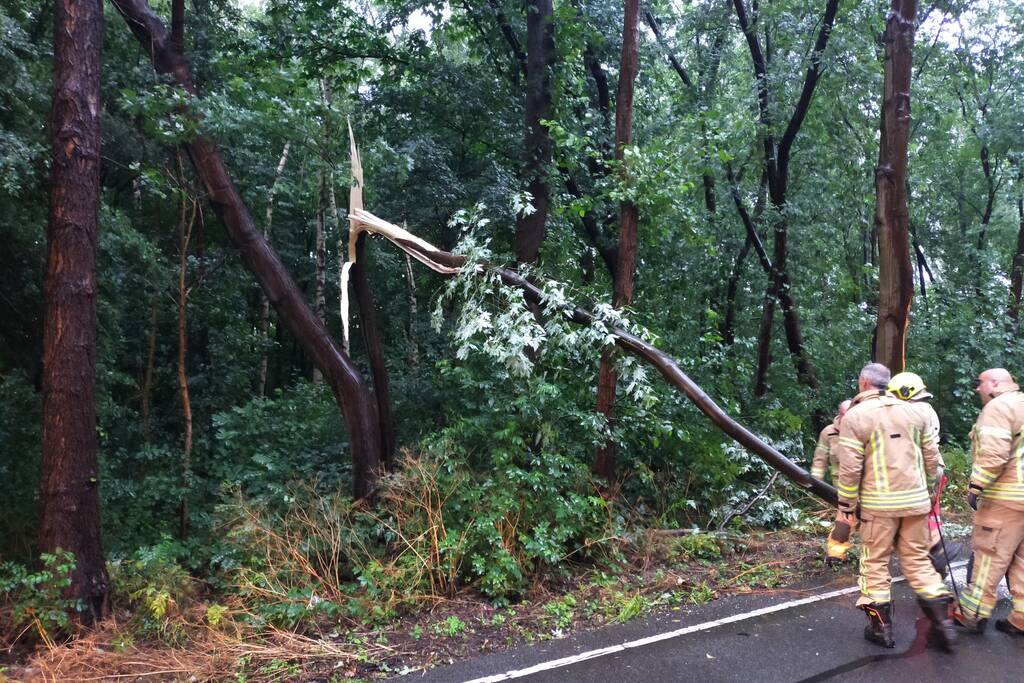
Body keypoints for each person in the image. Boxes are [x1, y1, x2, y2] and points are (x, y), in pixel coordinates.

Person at [834, 363, 955, 650]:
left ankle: (881, 628)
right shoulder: (916, 411)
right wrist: (924, 492)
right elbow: (932, 459)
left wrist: (846, 507)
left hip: (878, 507)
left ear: (863, 383)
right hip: (916, 504)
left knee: (875, 564)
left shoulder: (856, 416)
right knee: (918, 562)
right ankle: (944, 624)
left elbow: (850, 470)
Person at [952, 368, 1024, 636]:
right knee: (1020, 562)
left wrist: (977, 484)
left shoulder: (998, 407)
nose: (976, 389)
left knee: (988, 557)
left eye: (978, 382)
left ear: (994, 382)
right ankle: (1021, 618)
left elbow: (994, 454)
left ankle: (971, 614)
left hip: (1005, 498)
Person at [886, 371, 950, 577]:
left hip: (918, 470)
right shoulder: (927, 409)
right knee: (929, 514)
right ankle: (934, 553)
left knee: (911, 517)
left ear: (904, 392)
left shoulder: (909, 412)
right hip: (934, 468)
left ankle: (930, 559)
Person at [815, 400, 854, 566]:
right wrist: (815, 483)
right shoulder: (828, 433)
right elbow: (820, 458)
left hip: (867, 487)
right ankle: (836, 555)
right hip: (843, 488)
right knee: (843, 523)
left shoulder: (863, 428)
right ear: (840, 414)